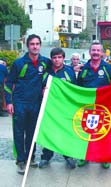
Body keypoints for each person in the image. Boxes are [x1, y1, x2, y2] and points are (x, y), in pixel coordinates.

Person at [4, 34, 51, 175]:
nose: (35, 46)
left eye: (37, 44)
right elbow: (8, 83)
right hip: (20, 104)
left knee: (32, 133)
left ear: (40, 45)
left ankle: (30, 158)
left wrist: (76, 68)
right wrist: (9, 102)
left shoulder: (45, 62)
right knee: (19, 133)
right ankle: (20, 161)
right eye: (32, 44)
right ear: (28, 46)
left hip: (35, 104)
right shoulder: (19, 63)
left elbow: (56, 69)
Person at [77, 41, 111, 169]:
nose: (95, 53)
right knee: (86, 132)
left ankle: (104, 157)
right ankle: (84, 156)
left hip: (103, 107)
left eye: (98, 50)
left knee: (103, 133)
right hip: (87, 107)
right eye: (93, 50)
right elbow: (77, 88)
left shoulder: (109, 68)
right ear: (89, 52)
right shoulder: (84, 69)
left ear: (102, 53)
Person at [38, 47, 77, 169]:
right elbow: (38, 87)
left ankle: (68, 156)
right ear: (51, 59)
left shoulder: (69, 71)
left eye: (59, 57)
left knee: (66, 132)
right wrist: (42, 91)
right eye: (54, 57)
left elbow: (75, 90)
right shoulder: (46, 72)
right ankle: (46, 157)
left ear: (63, 58)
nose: (57, 60)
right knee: (49, 132)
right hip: (49, 108)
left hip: (65, 108)